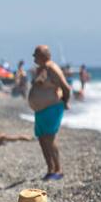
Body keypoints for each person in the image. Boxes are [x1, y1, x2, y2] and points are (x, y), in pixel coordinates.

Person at [29, 45, 72, 181]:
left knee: (49, 138)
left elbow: (66, 87)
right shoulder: (41, 69)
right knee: (42, 138)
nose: (33, 57)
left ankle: (58, 169)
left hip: (52, 107)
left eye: (35, 54)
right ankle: (50, 169)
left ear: (43, 55)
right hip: (41, 110)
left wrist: (65, 101)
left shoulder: (52, 68)